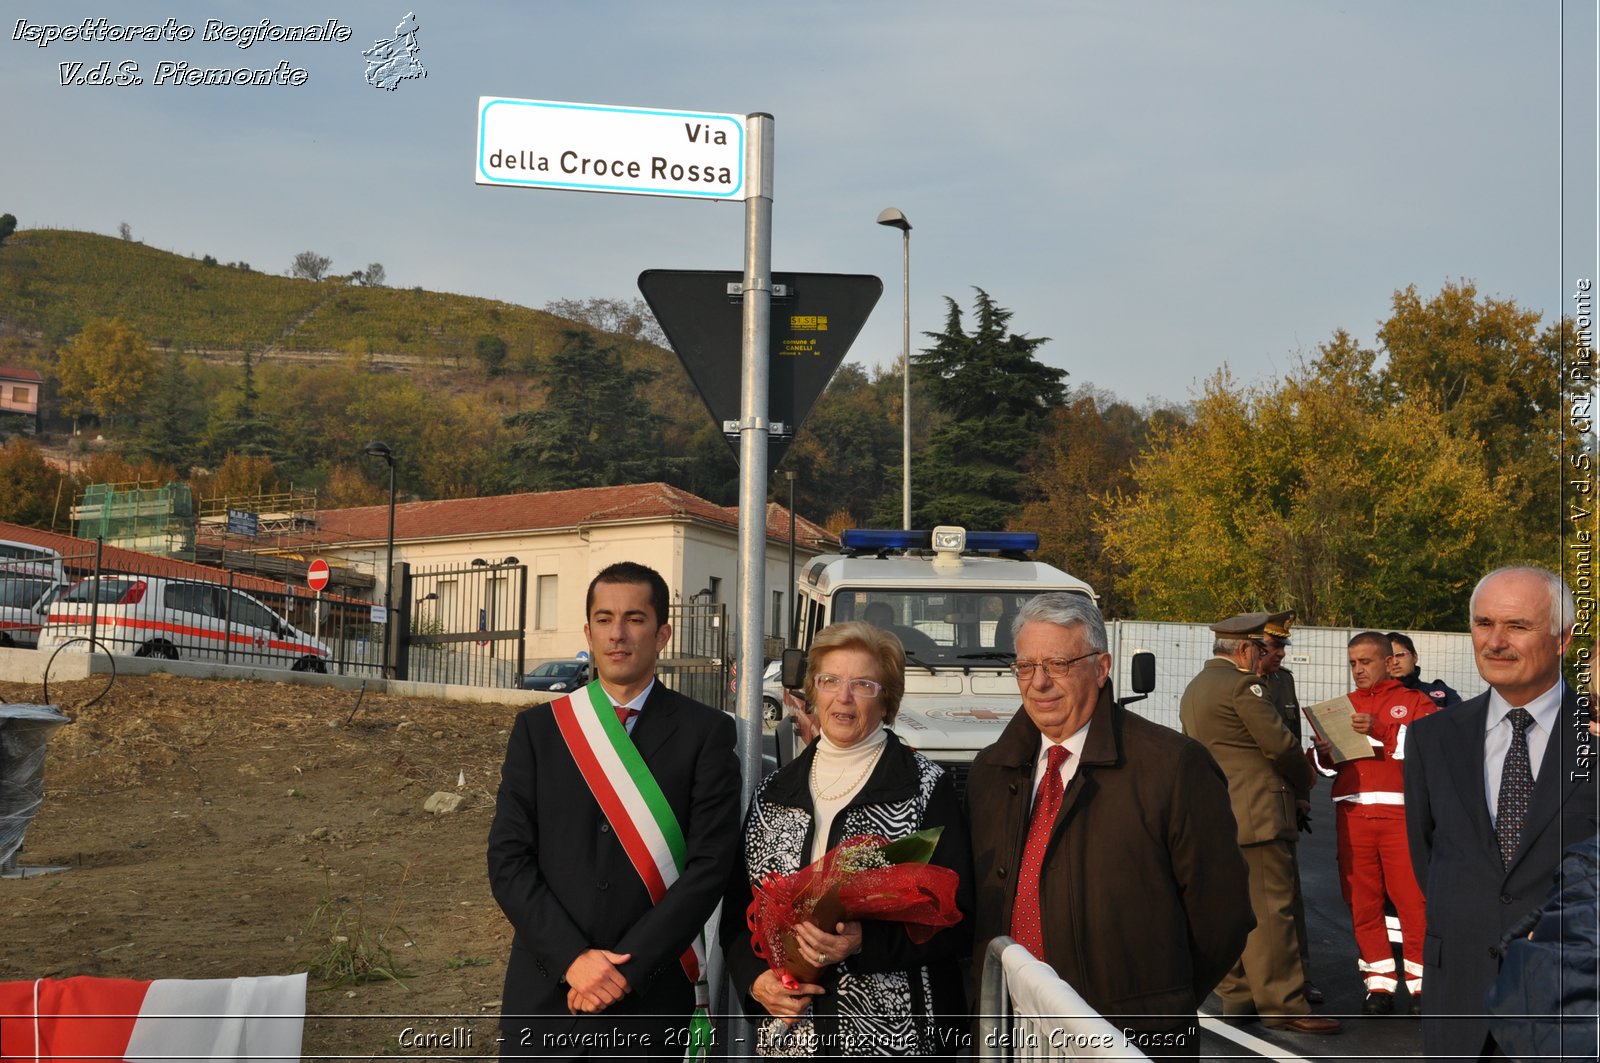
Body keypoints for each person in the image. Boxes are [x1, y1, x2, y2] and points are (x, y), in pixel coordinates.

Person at [969, 594, 1252, 1058]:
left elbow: (1222, 918)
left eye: (1058, 664)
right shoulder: (990, 772)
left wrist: (1156, 1006)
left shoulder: (1174, 767)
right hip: (1012, 1032)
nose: (1039, 683)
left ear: (1101, 668)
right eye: (1025, 666)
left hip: (1130, 1039)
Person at [488, 562, 741, 1059]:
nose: (617, 634)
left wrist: (625, 969)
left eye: (635, 619)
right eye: (603, 619)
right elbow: (508, 859)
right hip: (547, 988)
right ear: (587, 631)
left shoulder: (705, 733)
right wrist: (573, 960)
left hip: (650, 991)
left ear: (662, 633)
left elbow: (710, 867)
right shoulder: (541, 731)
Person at [722, 620, 973, 1058]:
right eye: (830, 681)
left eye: (863, 684)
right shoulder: (773, 791)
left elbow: (959, 917)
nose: (844, 697)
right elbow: (738, 914)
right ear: (812, 692)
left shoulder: (923, 788)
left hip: (898, 1038)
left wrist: (865, 944)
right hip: (793, 1040)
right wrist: (755, 982)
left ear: (887, 699)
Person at [1404, 566, 1597, 1061]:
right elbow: (1431, 859)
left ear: (1562, 640)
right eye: (1483, 623)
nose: (1495, 641)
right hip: (1458, 1000)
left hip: (1568, 1009)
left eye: (1517, 626)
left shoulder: (1594, 739)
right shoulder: (1433, 738)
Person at [1180, 612, 1340, 1034]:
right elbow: (1281, 745)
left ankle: (1238, 996)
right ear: (1247, 649)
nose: (1268, 656)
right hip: (1260, 813)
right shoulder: (1242, 685)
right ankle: (1284, 1004)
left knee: (1232, 909)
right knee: (1272, 912)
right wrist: (1306, 779)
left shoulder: (1197, 687)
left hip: (1220, 812)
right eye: (1262, 648)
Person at [1310, 631, 1438, 1016]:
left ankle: (1422, 986)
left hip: (1400, 813)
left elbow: (1430, 752)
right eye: (1352, 663)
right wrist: (1323, 753)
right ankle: (1378, 983)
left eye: (1365, 662)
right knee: (1361, 901)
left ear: (1388, 661)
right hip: (1352, 812)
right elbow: (1327, 769)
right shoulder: (1343, 706)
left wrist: (1380, 730)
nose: (1358, 670)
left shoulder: (1415, 701)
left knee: (1413, 900)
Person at [1254, 612, 1322, 1005]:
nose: (1280, 652)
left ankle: (1300, 978)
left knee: (1289, 901)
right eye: (1273, 645)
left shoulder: (1284, 682)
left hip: (1281, 803)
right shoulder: (1238, 685)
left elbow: (1293, 743)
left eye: (1281, 646)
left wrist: (1302, 796)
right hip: (1244, 806)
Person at [1386, 632, 1463, 709]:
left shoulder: (1442, 691)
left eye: (1400, 655)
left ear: (1415, 657)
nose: (1395, 662)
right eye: (1389, 658)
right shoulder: (1376, 697)